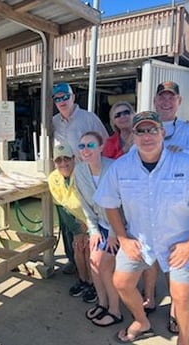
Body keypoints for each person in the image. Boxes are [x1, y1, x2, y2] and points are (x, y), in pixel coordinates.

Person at [93, 111, 189, 345]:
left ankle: (183, 340)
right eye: (140, 131)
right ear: (132, 136)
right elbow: (109, 204)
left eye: (152, 129)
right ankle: (142, 321)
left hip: (180, 243)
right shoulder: (120, 167)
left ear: (163, 133)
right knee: (122, 282)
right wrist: (123, 238)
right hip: (139, 240)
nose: (147, 136)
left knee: (182, 295)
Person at [142, 81, 189, 330]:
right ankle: (149, 297)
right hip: (149, 200)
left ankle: (177, 310)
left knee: (174, 258)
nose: (166, 102)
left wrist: (175, 152)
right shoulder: (147, 125)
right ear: (155, 101)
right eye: (162, 97)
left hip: (178, 204)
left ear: (178, 101)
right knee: (150, 253)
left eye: (171, 97)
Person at [52, 82, 108, 274]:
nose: (62, 101)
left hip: (86, 176)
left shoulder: (89, 118)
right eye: (57, 99)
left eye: (65, 96)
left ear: (73, 97)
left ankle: (97, 268)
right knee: (68, 222)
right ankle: (73, 261)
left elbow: (104, 143)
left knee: (90, 218)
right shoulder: (54, 121)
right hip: (64, 175)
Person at [74, 131, 123, 326]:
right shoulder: (79, 171)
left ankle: (115, 311)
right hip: (100, 226)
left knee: (104, 267)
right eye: (82, 146)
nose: (85, 150)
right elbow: (85, 205)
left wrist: (113, 233)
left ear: (101, 147)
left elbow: (123, 205)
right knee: (93, 262)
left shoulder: (114, 168)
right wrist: (94, 230)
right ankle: (102, 303)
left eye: (91, 145)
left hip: (120, 227)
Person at [48, 144, 97, 302]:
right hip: (75, 219)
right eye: (59, 160)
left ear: (74, 158)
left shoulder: (84, 172)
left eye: (67, 159)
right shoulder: (53, 178)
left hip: (93, 219)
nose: (63, 163)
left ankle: (94, 283)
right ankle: (83, 280)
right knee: (78, 247)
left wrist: (89, 228)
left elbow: (95, 203)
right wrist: (76, 231)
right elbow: (60, 206)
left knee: (90, 250)